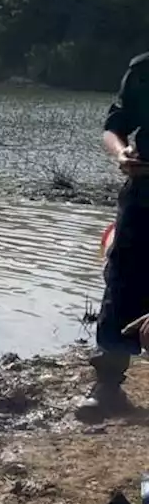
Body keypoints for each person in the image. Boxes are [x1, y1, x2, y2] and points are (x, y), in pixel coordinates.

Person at [84, 52, 149, 416]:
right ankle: (108, 384)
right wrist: (121, 154)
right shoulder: (143, 71)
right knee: (123, 280)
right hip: (145, 194)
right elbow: (114, 126)